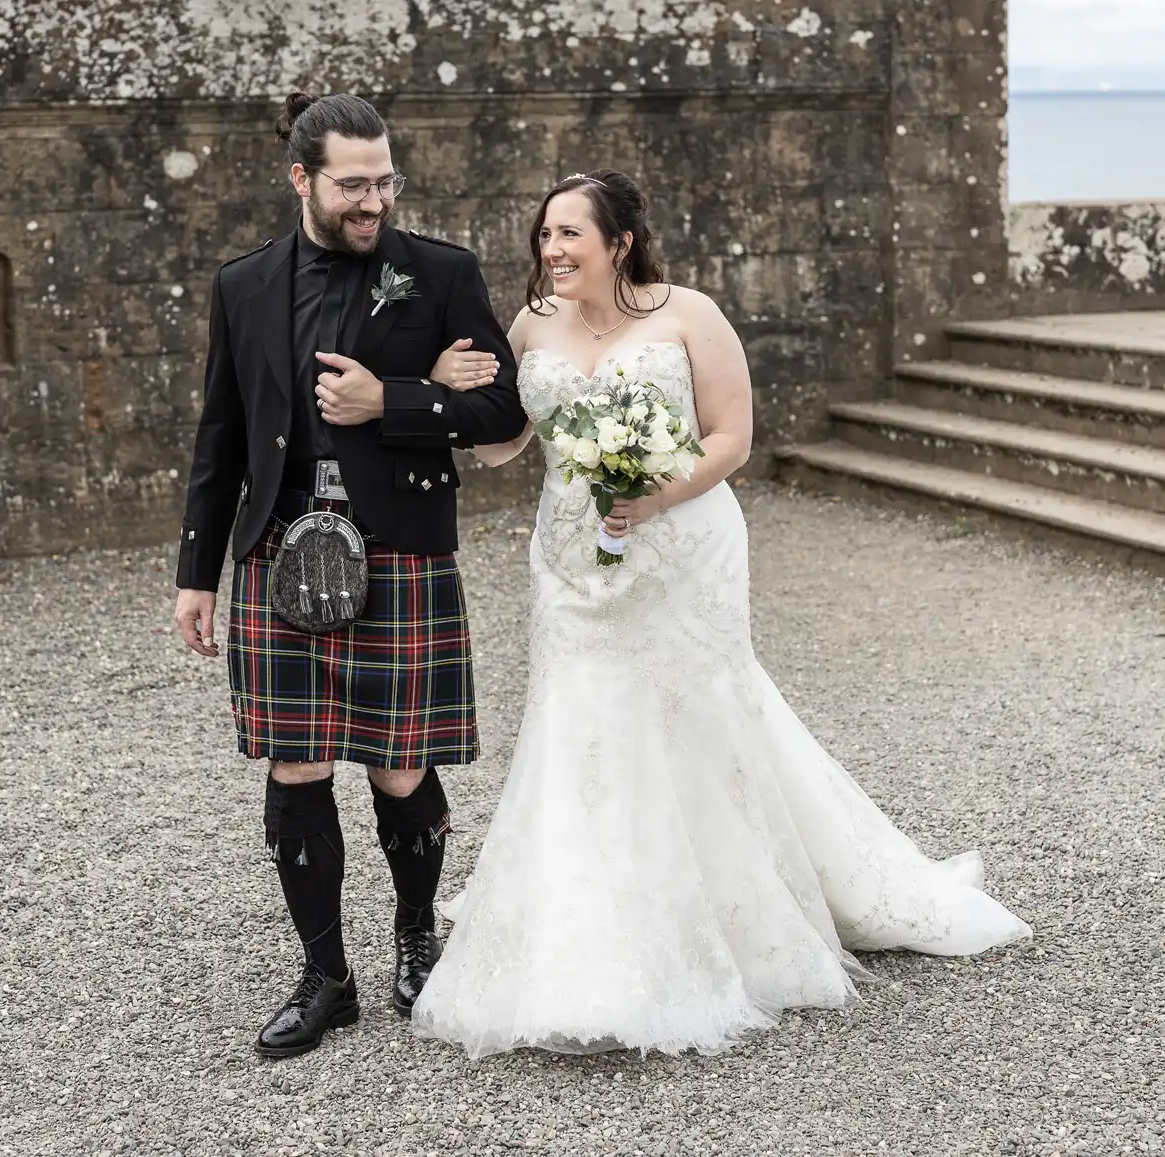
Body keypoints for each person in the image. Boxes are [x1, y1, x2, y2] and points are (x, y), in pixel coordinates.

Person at [407, 170, 1032, 1058]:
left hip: (681, 549)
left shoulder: (690, 315)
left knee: (695, 714)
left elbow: (731, 437)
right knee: (579, 721)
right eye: (544, 235)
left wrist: (654, 495)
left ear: (619, 241)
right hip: (571, 557)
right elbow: (509, 441)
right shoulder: (530, 324)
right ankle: (589, 926)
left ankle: (728, 909)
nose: (551, 251)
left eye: (569, 235)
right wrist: (442, 386)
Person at [172, 92, 523, 1059]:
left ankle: (417, 938)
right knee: (297, 764)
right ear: (302, 179)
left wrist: (393, 401)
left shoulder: (439, 273)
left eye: (385, 181)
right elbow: (221, 435)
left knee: (401, 762)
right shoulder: (243, 286)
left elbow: (504, 411)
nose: (374, 201)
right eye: (353, 184)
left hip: (400, 548)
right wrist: (197, 569)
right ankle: (327, 975)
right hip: (281, 549)